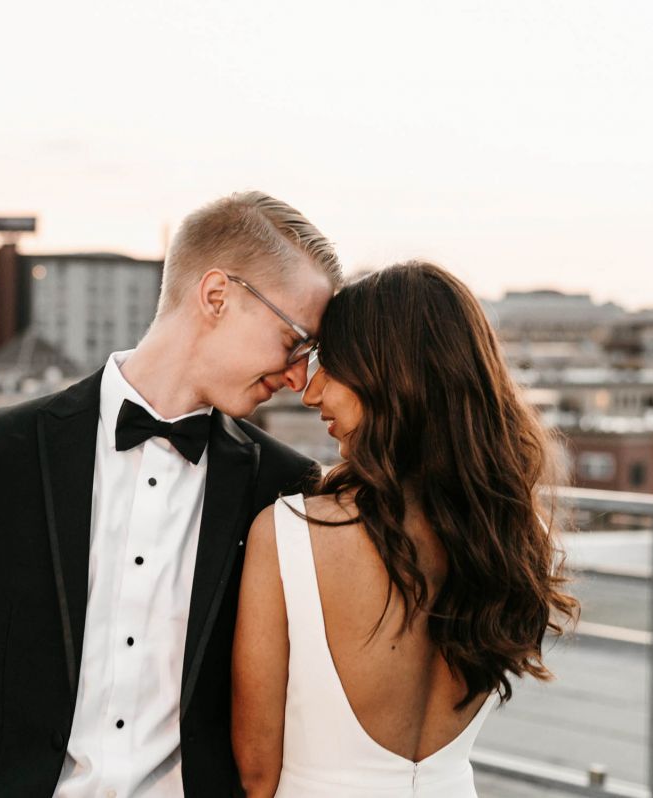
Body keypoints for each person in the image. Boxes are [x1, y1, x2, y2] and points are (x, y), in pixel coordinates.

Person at [0, 191, 342, 797]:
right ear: (216, 296)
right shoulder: (1, 450)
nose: (299, 375)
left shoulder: (282, 485)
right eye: (295, 340)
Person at [232, 261, 579, 797]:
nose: (311, 392)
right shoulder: (516, 534)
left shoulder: (290, 535)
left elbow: (256, 774)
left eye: (331, 364)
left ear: (390, 377)